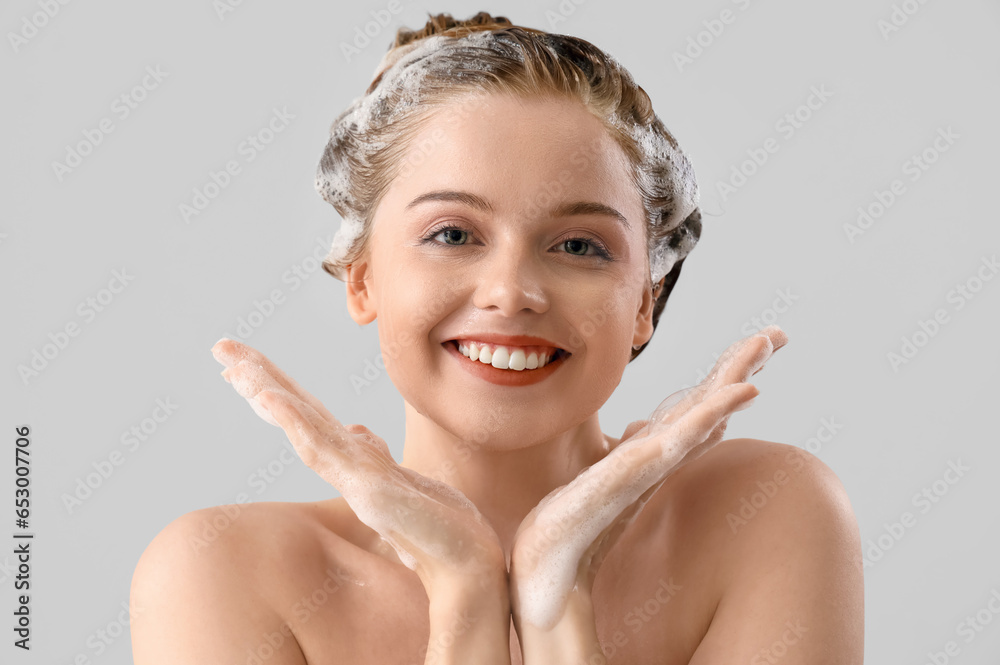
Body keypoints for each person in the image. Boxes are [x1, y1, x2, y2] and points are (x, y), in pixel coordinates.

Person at [130, 12, 863, 664]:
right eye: (452, 233)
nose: (512, 291)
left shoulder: (764, 514)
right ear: (362, 278)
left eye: (580, 246)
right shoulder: (220, 574)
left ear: (646, 299)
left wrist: (557, 606)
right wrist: (464, 602)